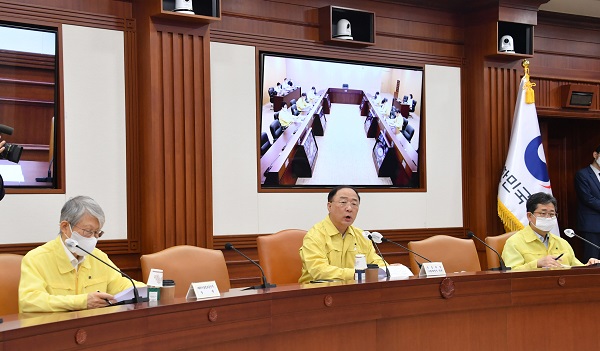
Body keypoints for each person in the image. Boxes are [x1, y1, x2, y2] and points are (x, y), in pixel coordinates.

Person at [19, 196, 145, 312]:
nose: (93, 239)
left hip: (93, 330)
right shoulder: (36, 259)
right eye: (88, 231)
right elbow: (29, 301)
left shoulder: (98, 256)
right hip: (54, 331)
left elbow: (123, 285)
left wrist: (152, 289)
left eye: (97, 233)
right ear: (65, 227)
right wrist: (82, 302)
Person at [298, 186, 386, 283]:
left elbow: (376, 262)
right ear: (329, 206)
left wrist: (388, 270)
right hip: (317, 293)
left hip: (353, 291)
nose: (349, 208)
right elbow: (320, 271)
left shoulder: (362, 236)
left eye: (354, 204)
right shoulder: (314, 235)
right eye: (343, 202)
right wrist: (357, 274)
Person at [501, 192, 600, 270]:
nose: (548, 217)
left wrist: (589, 266)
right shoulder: (514, 243)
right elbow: (510, 274)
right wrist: (537, 264)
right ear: (530, 216)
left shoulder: (562, 243)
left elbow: (575, 269)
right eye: (543, 213)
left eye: (552, 214)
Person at [574, 144, 600, 261]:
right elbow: (587, 198)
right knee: (592, 259)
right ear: (595, 155)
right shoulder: (582, 174)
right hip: (592, 225)